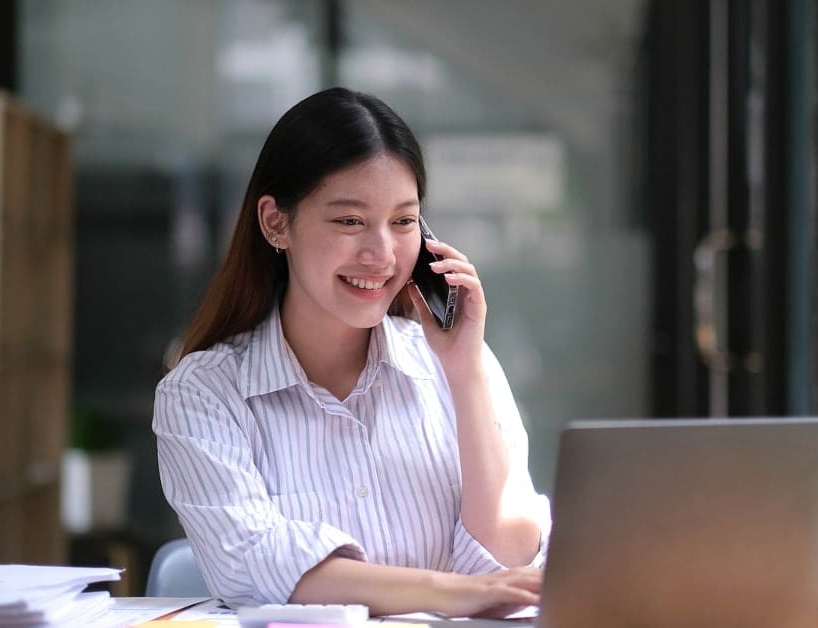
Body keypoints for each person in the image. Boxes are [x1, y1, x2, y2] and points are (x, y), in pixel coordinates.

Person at [153, 87, 550, 618]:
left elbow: (507, 558)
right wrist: (449, 591)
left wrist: (464, 371)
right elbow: (254, 561)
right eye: (349, 221)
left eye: (404, 221)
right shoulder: (202, 392)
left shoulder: (460, 367)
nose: (382, 254)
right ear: (275, 222)